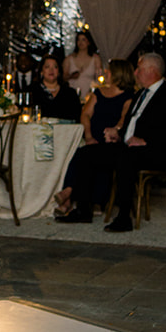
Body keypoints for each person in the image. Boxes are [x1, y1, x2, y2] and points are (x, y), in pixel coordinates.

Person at [62, 52, 166, 230]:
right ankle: (83, 210)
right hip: (127, 147)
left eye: (139, 69)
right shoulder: (139, 95)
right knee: (86, 152)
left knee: (125, 158)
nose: (135, 73)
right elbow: (130, 124)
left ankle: (124, 217)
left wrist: (146, 141)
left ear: (152, 71)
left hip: (154, 152)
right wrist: (117, 133)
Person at [54, 59, 134, 218]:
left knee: (91, 156)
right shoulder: (99, 92)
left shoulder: (128, 97)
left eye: (109, 71)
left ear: (118, 74)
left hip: (111, 140)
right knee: (78, 152)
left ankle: (69, 193)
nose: (106, 73)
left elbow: (123, 120)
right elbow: (85, 114)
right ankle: (76, 199)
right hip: (93, 137)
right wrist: (89, 136)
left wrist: (115, 130)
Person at [33, 55, 82, 121]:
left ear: (59, 72)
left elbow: (76, 117)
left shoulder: (70, 93)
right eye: (47, 67)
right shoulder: (33, 91)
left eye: (55, 67)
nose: (51, 70)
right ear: (41, 71)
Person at [63, 31, 102, 98]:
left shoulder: (95, 59)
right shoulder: (69, 59)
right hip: (72, 95)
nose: (80, 42)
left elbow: (99, 77)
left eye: (83, 40)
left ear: (88, 42)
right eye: (78, 40)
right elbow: (63, 77)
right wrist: (71, 76)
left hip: (89, 95)